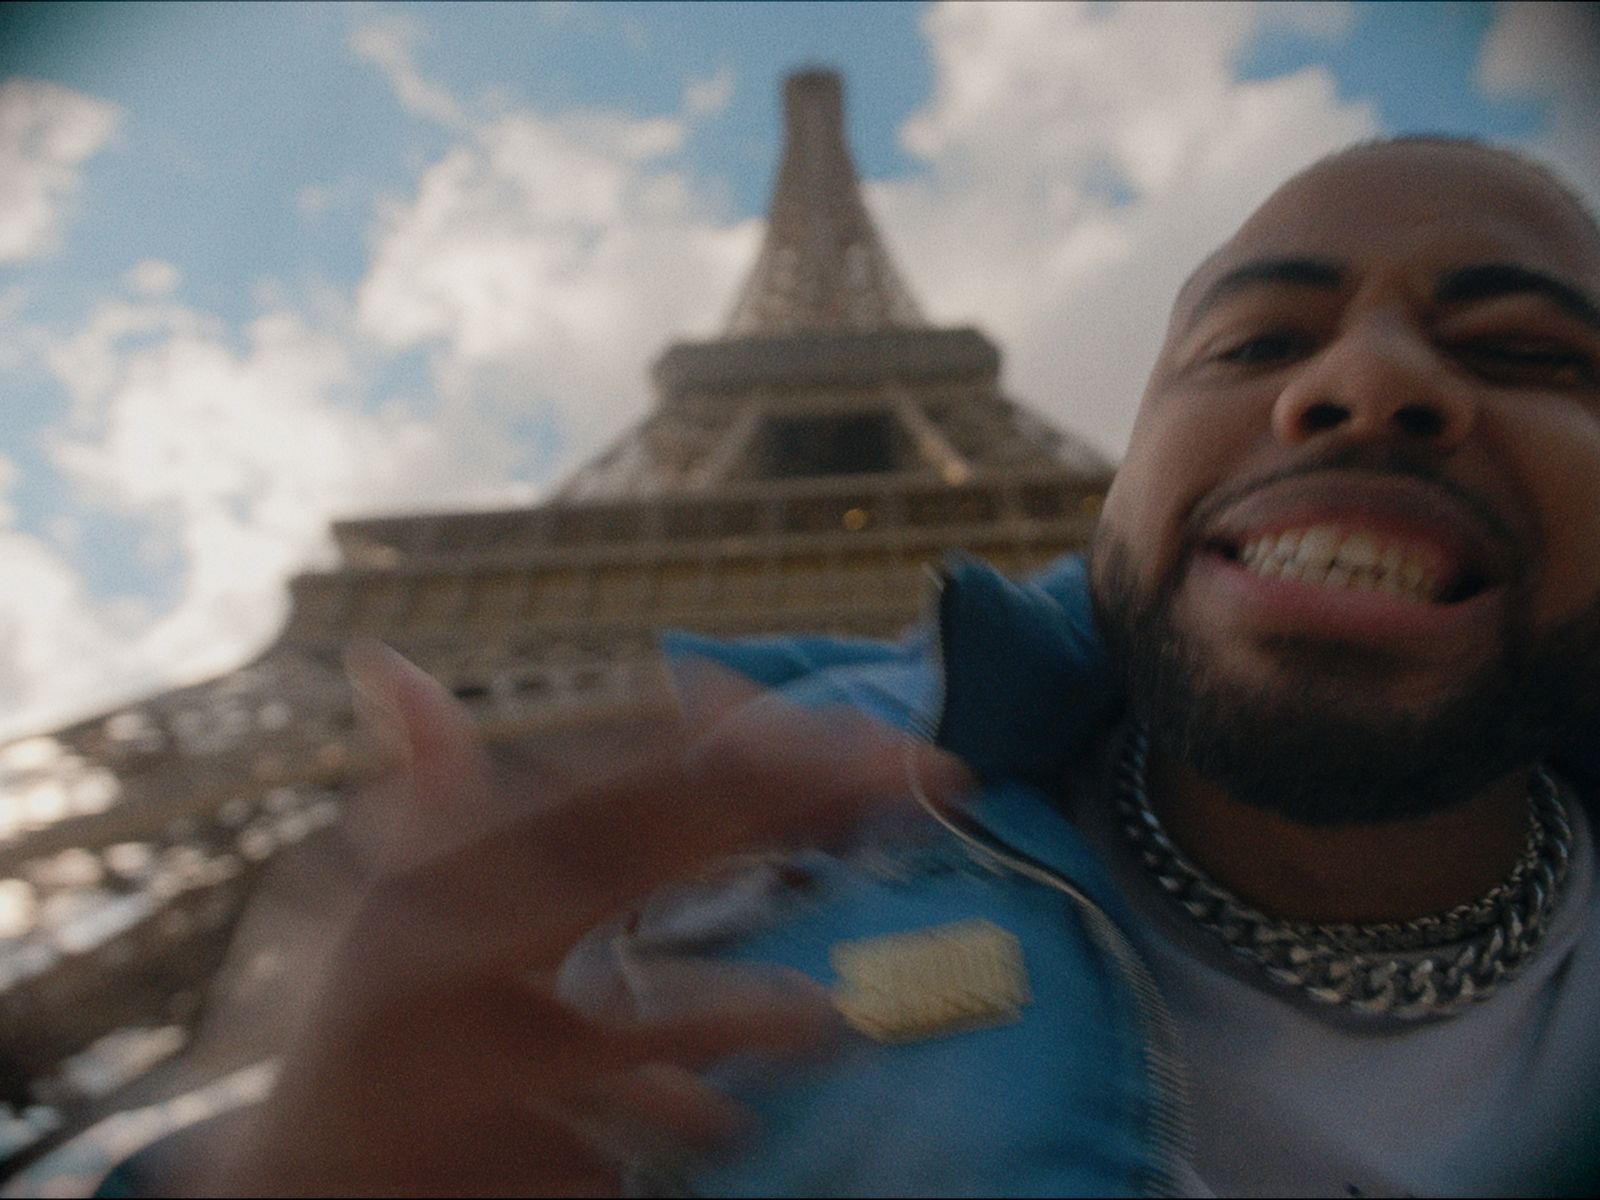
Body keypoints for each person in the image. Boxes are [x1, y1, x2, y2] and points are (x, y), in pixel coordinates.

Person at [172, 135, 1600, 1197]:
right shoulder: (721, 907)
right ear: (1115, 494)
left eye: (1533, 354)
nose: (1362, 385)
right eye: (1254, 339)